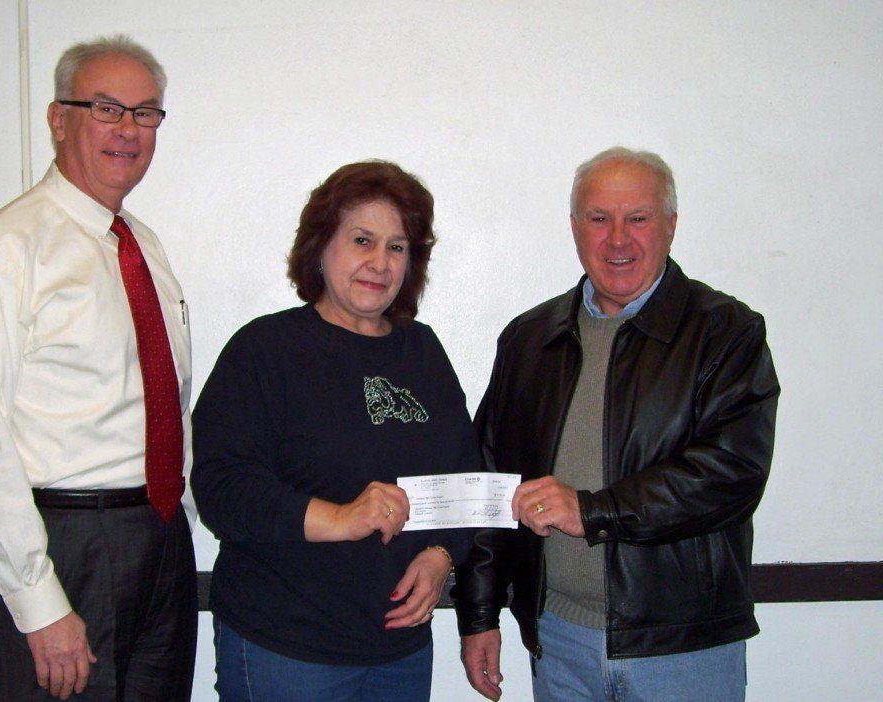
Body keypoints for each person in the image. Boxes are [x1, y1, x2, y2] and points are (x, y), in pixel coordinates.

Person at [453, 147, 780, 701]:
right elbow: (492, 480)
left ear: (671, 226)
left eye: (639, 218)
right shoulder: (531, 339)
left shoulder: (726, 332)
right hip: (558, 641)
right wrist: (479, 614)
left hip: (683, 649)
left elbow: (731, 475)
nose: (619, 239)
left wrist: (591, 510)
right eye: (600, 219)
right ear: (576, 230)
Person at [0, 36, 196, 701]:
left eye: (146, 113)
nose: (129, 130)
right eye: (107, 108)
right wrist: (37, 600)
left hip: (158, 536)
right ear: (58, 119)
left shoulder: (144, 247)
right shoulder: (3, 253)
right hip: (63, 544)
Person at [191, 160, 478, 701]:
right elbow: (222, 490)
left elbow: (464, 478)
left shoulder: (424, 352)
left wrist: (443, 556)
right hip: (286, 650)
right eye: (362, 240)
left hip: (400, 651)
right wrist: (340, 518)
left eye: (397, 247)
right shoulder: (265, 350)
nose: (380, 262)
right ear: (321, 247)